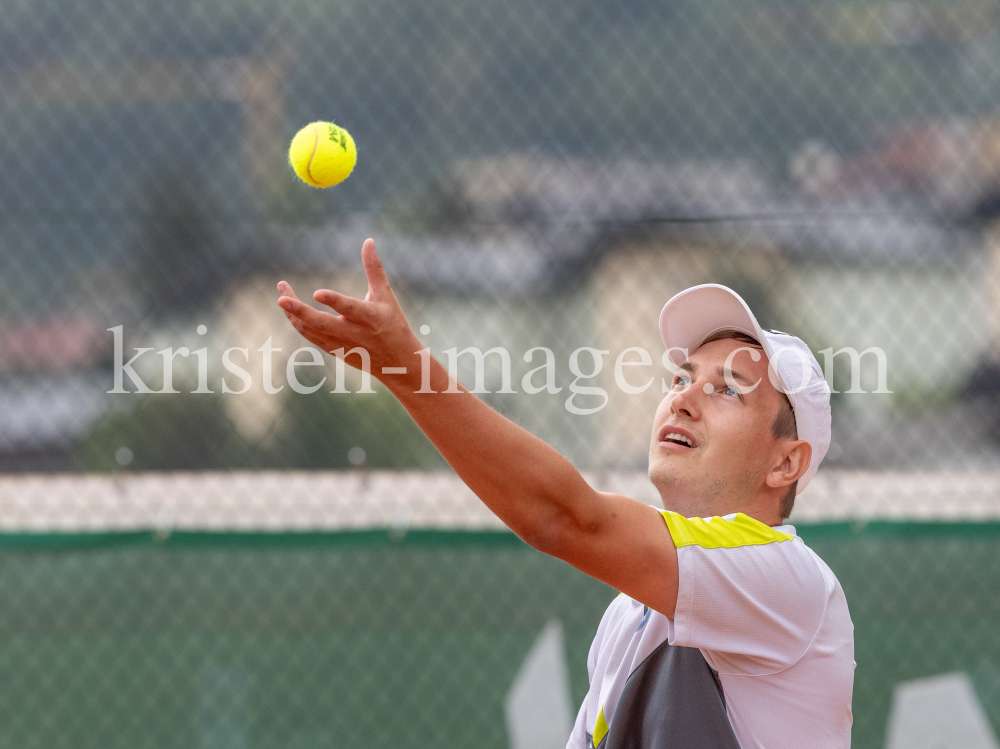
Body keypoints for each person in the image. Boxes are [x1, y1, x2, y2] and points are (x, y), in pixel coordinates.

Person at [276, 238, 855, 749]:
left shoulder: (787, 581)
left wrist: (406, 367)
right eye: (681, 378)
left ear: (786, 462)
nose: (683, 399)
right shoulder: (633, 611)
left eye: (728, 390)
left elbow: (564, 519)